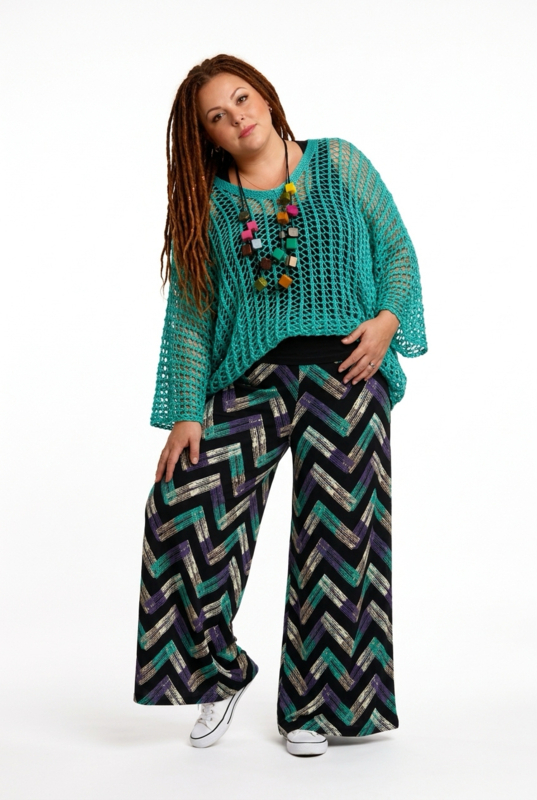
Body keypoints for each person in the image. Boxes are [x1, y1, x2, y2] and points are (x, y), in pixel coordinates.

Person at [132, 54, 428, 758]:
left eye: (241, 98)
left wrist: (387, 322)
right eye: (216, 115)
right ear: (206, 136)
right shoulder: (211, 205)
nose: (236, 116)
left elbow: (396, 252)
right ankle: (218, 672)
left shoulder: (338, 162)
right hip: (253, 378)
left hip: (348, 371)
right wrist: (186, 413)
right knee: (180, 510)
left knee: (341, 541)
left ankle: (318, 707)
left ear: (264, 96)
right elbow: (191, 316)